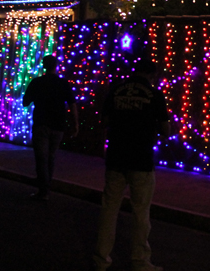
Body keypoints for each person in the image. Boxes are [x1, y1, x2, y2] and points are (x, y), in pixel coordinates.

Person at [93, 48, 171, 271]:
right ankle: (139, 260)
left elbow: (104, 122)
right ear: (152, 75)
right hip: (141, 158)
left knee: (109, 209)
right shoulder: (154, 94)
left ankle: (101, 259)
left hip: (116, 156)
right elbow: (165, 129)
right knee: (140, 211)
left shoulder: (116, 90)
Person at [23, 54, 79, 200]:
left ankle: (44, 190)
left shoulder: (37, 82)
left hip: (41, 123)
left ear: (43, 65)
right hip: (58, 125)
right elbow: (72, 105)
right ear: (56, 66)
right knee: (51, 156)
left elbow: (25, 102)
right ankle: (47, 187)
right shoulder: (63, 83)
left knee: (41, 157)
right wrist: (75, 124)